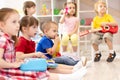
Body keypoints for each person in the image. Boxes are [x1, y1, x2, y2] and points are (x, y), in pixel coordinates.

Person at [15, 15, 87, 80]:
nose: (36, 30)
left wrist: (39, 55)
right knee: (50, 67)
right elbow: (18, 56)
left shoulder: (30, 41)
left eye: (36, 27)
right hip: (27, 65)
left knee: (52, 65)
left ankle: (74, 70)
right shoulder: (22, 41)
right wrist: (35, 54)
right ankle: (72, 73)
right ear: (24, 29)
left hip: (33, 63)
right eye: (34, 27)